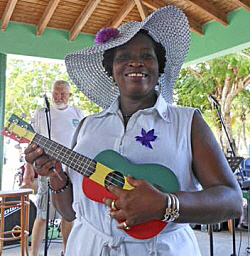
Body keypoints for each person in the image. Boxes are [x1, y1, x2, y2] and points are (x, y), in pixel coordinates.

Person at [25, 6, 243, 256]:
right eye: (123, 56)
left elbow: (232, 201)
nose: (135, 61)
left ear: (159, 66)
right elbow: (69, 212)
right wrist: (55, 177)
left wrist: (166, 204)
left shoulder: (187, 122)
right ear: (112, 70)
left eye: (146, 55)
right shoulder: (87, 126)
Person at [24, 80, 84, 256]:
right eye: (55, 93)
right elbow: (31, 142)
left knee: (69, 214)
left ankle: (68, 251)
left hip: (72, 170)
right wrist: (29, 168)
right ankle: (33, 253)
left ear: (69, 95)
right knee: (43, 214)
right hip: (47, 170)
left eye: (63, 94)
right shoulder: (42, 113)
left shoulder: (77, 113)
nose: (58, 97)